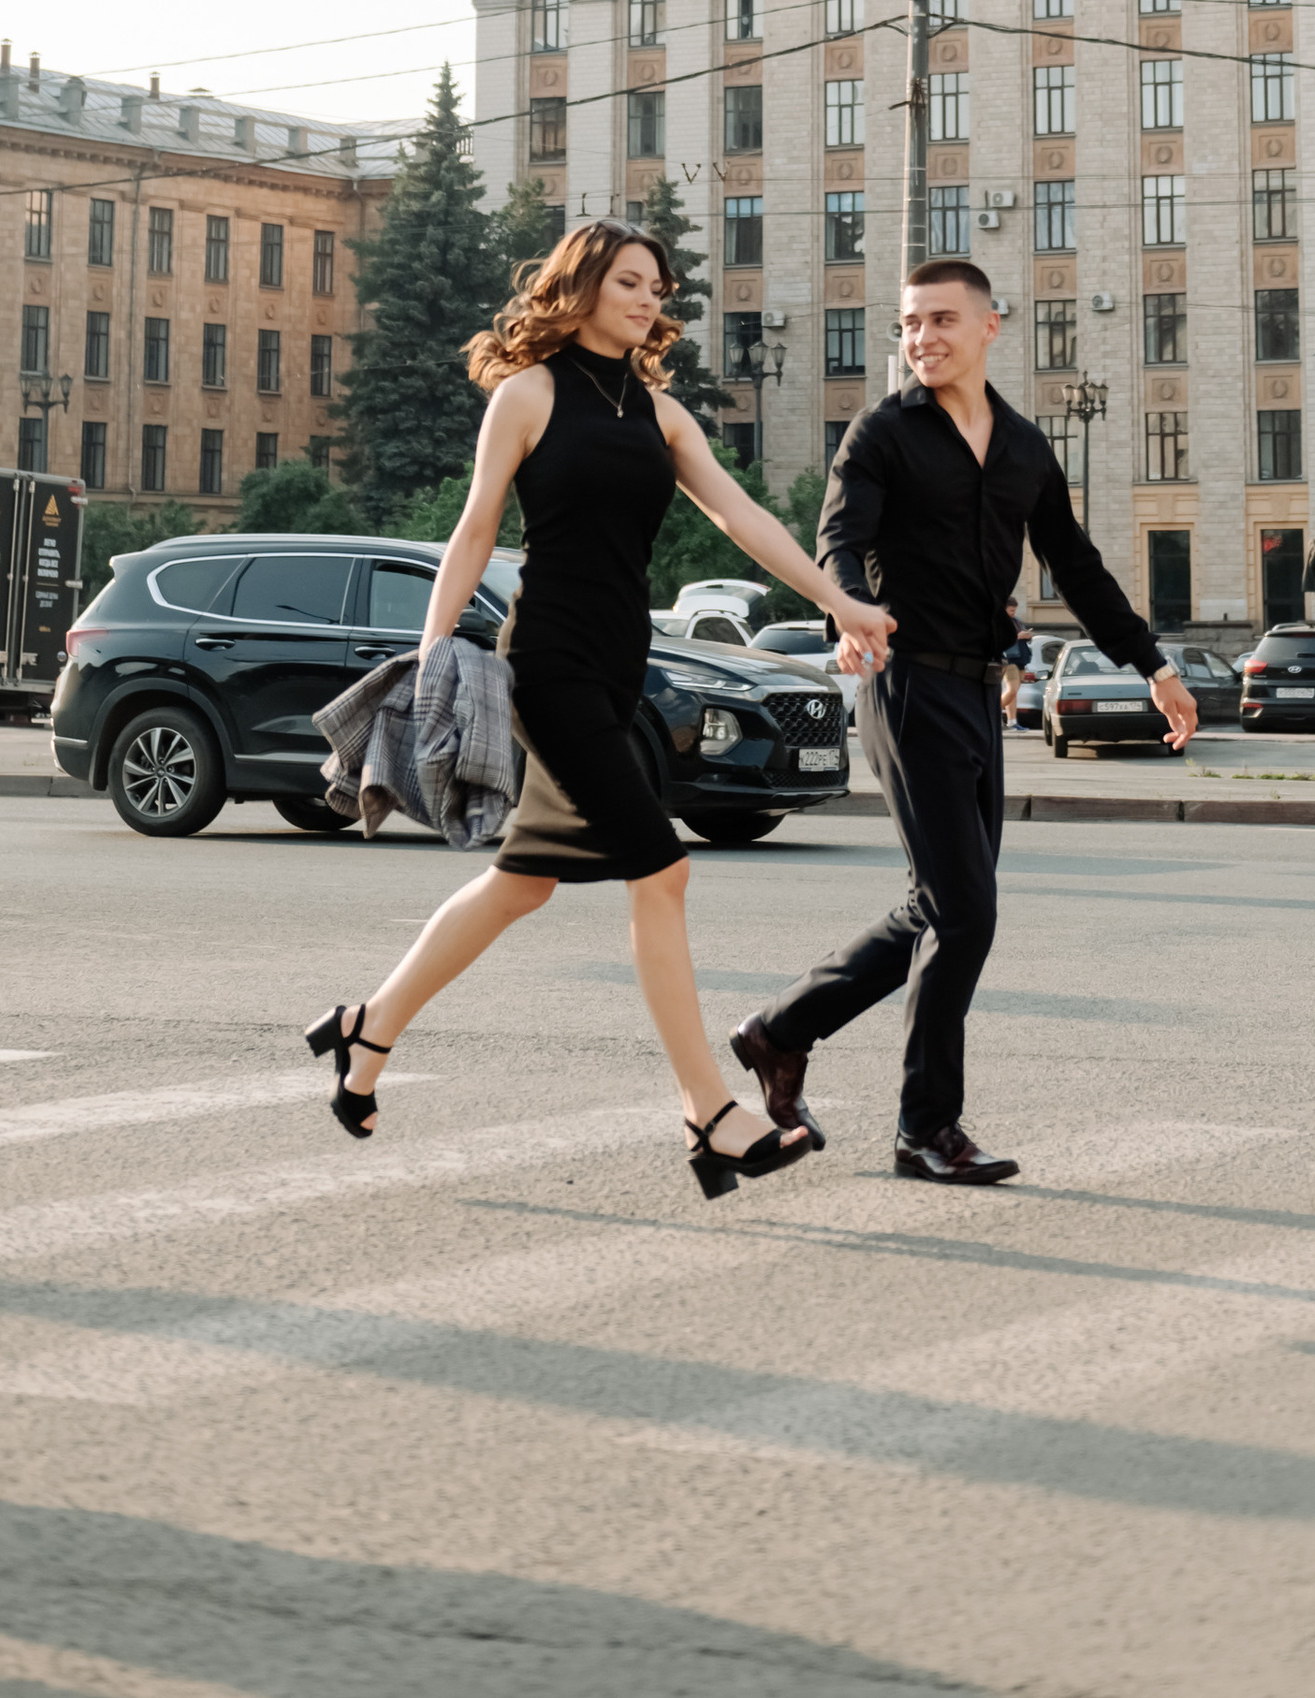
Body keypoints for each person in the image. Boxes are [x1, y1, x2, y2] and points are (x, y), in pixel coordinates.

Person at [303, 217, 895, 1199]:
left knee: (521, 885)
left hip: (621, 670)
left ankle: (367, 1031)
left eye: (658, 285)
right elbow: (475, 525)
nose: (648, 297)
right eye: (629, 280)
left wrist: (837, 600)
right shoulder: (526, 395)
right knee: (661, 873)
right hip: (548, 665)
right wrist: (426, 653)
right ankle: (709, 1112)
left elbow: (739, 516)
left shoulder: (660, 412)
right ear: (580, 286)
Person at [733, 257, 1195, 1185]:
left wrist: (1153, 663)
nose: (922, 338)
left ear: (990, 327)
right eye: (909, 324)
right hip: (908, 688)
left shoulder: (1024, 447)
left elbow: (1076, 564)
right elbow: (841, 539)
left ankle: (782, 1030)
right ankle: (924, 1129)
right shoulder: (883, 432)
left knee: (939, 908)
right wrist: (853, 613)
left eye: (941, 320)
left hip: (982, 694)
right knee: (966, 913)